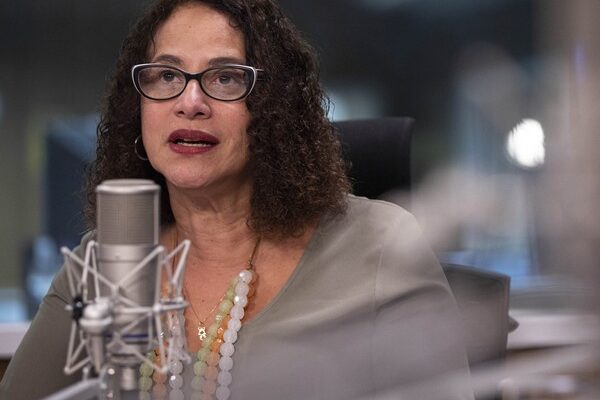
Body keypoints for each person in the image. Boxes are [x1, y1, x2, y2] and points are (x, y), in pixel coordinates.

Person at [0, 0, 473, 399]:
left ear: (273, 109)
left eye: (225, 78)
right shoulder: (105, 263)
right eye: (166, 75)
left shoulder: (380, 246)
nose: (190, 102)